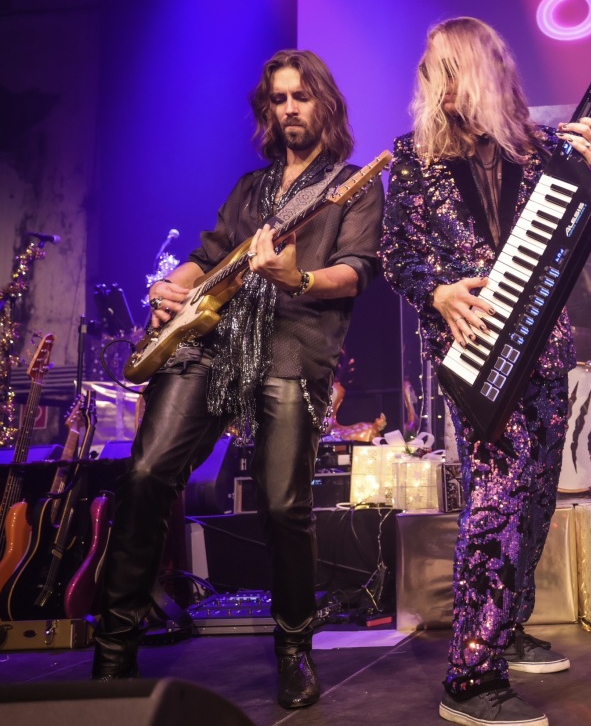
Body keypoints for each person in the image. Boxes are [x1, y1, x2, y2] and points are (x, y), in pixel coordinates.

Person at [92, 50, 383, 709]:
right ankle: (113, 655)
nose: (290, 109)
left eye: (301, 96)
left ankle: (293, 650)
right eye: (279, 99)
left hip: (293, 346)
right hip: (213, 342)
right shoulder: (251, 190)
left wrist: (295, 278)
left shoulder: (354, 185)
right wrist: (172, 289)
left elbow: (357, 272)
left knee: (283, 505)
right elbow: (207, 256)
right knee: (145, 474)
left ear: (325, 103)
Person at [380, 16, 591, 726]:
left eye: (446, 65)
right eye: (429, 67)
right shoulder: (411, 158)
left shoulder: (540, 149)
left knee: (535, 495)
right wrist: (438, 293)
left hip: (546, 347)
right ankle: (472, 677)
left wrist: (586, 169)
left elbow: (570, 235)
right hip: (474, 351)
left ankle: (506, 627)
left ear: (479, 69)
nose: (432, 78)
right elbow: (396, 255)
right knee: (499, 497)